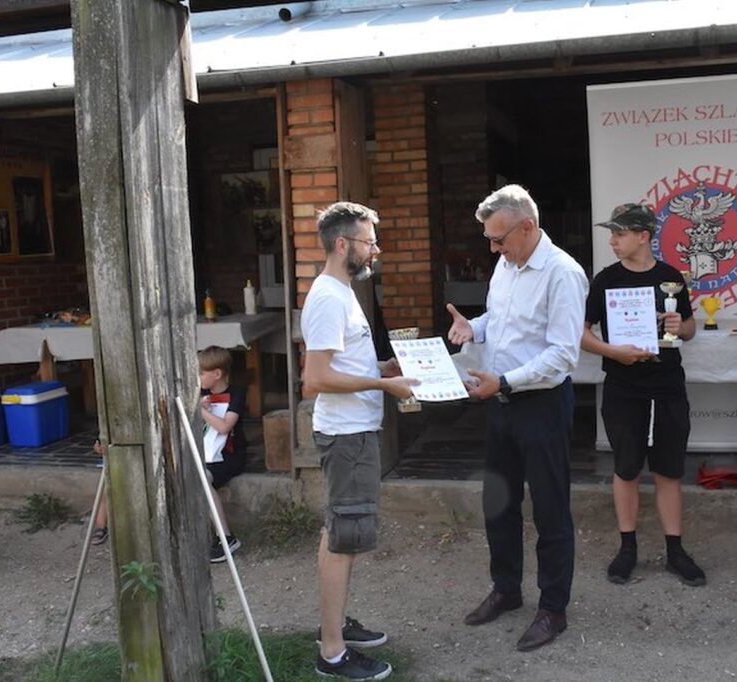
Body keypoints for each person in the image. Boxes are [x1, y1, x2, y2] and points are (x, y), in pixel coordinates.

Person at [447, 184, 588, 652]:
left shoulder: (563, 274)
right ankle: (507, 590)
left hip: (541, 405)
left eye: (499, 238)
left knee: (550, 509)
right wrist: (474, 326)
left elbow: (563, 355)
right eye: (489, 239)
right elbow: (500, 318)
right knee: (499, 505)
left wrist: (504, 383)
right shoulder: (505, 266)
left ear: (528, 227)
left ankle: (553, 609)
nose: (493, 248)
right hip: (501, 402)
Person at [301, 201, 418, 681]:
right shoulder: (329, 298)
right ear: (343, 244)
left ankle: (337, 625)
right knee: (343, 538)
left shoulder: (343, 293)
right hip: (347, 437)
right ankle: (332, 653)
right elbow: (316, 379)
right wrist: (382, 386)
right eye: (370, 242)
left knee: (339, 532)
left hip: (355, 432)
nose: (376, 251)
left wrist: (382, 370)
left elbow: (344, 366)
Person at [580, 203, 704, 587]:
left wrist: (678, 325)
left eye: (619, 233)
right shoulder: (604, 280)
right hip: (623, 386)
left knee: (668, 469)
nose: (613, 241)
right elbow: (581, 333)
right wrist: (613, 351)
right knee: (626, 467)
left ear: (644, 236)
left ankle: (675, 550)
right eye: (612, 234)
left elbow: (689, 328)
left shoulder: (671, 278)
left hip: (667, 384)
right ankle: (627, 547)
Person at [198, 345, 246, 563]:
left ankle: (225, 537)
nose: (197, 377)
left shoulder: (236, 394)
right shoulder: (201, 395)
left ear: (217, 374)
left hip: (230, 456)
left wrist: (200, 411)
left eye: (201, 373)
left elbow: (225, 427)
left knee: (202, 479)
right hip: (206, 454)